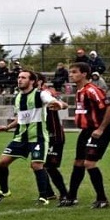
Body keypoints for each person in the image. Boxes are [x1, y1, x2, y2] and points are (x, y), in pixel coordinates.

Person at [0, 70, 67, 205]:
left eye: (23, 77)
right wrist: (7, 127)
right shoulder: (18, 97)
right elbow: (21, 117)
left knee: (37, 165)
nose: (19, 80)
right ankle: (4, 191)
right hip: (20, 138)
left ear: (32, 81)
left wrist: (59, 104)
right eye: (19, 77)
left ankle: (44, 197)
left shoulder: (40, 94)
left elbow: (54, 101)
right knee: (2, 162)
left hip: (38, 137)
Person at [59, 62, 110, 209]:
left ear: (84, 74)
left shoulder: (92, 90)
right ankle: (71, 197)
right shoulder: (79, 91)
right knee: (78, 162)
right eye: (70, 72)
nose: (71, 74)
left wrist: (101, 129)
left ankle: (102, 199)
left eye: (74, 72)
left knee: (89, 163)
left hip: (97, 131)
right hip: (86, 131)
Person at [37, 72, 69, 201]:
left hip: (54, 135)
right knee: (38, 164)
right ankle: (49, 193)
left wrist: (59, 104)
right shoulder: (29, 96)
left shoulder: (47, 94)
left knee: (50, 166)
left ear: (40, 82)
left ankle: (64, 193)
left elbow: (63, 104)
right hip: (39, 136)